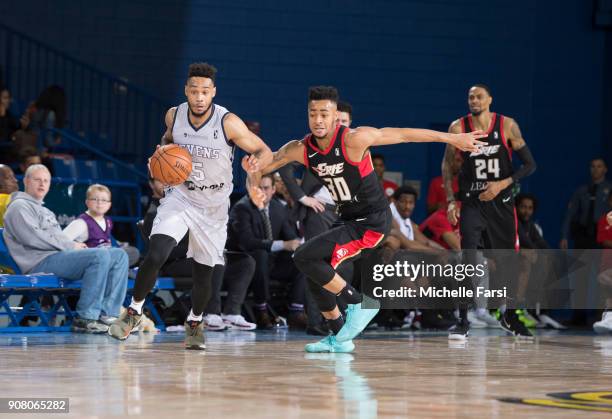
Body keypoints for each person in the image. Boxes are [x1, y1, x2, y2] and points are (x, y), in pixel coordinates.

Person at [247, 85, 485, 353]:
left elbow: (404, 135)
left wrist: (452, 139)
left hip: (372, 221)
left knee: (304, 256)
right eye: (313, 114)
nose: (318, 120)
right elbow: (264, 166)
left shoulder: (354, 139)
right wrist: (251, 175)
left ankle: (360, 303)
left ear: (336, 116)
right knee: (314, 269)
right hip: (347, 219)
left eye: (324, 114)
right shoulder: (301, 148)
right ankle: (339, 338)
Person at [108, 62, 272, 350]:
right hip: (181, 195)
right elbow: (167, 142)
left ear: (213, 93)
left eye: (204, 92)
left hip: (214, 205)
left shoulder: (228, 122)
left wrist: (256, 163)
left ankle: (195, 322)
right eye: (194, 90)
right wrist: (160, 157)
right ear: (186, 90)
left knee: (204, 272)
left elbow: (263, 149)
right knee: (157, 251)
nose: (198, 97)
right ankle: (133, 311)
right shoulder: (174, 115)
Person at [443, 84, 537, 340]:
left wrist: (502, 184)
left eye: (479, 96)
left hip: (501, 204)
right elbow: (447, 165)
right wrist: (451, 201)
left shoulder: (507, 125)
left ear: (490, 100)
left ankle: (509, 315)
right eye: (470, 96)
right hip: (472, 203)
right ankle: (462, 320)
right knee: (468, 259)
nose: (474, 100)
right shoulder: (458, 127)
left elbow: (529, 165)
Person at [2, 164, 128, 333]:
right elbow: (33, 238)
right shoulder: (19, 206)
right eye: (37, 179)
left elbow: (58, 238)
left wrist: (77, 249)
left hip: (58, 258)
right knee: (99, 256)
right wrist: (71, 246)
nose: (42, 184)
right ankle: (86, 318)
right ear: (25, 181)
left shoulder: (45, 210)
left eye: (46, 180)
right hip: (38, 262)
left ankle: (108, 315)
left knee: (119, 255)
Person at [227, 174, 307, 330]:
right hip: (246, 262)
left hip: (272, 263)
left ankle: (296, 311)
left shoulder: (279, 208)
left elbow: (290, 237)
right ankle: (261, 309)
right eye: (258, 188)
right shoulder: (242, 208)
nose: (262, 192)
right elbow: (247, 242)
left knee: (302, 258)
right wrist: (282, 244)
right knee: (261, 255)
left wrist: (299, 246)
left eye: (266, 188)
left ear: (273, 190)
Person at [62, 184, 140, 267]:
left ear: (109, 204)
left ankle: (115, 268)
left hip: (107, 256)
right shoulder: (81, 223)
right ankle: (117, 268)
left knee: (133, 252)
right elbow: (60, 241)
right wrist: (74, 245)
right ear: (87, 202)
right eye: (95, 199)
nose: (100, 203)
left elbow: (105, 239)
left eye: (104, 200)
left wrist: (119, 243)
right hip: (91, 259)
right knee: (115, 256)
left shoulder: (107, 221)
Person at [561, 158, 611, 249]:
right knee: (580, 262)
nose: (595, 169)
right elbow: (570, 214)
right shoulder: (582, 190)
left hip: (603, 235)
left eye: (599, 166)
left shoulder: (610, 190)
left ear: (605, 169)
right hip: (583, 234)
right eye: (593, 166)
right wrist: (564, 236)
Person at [593, 195, 612, 333]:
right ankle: (608, 316)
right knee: (604, 279)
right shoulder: (605, 219)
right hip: (607, 262)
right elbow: (605, 241)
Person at [426, 149, 462, 214]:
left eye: (458, 160)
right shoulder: (436, 182)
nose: (455, 163)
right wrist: (447, 205)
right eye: (452, 160)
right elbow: (430, 207)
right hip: (441, 219)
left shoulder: (464, 183)